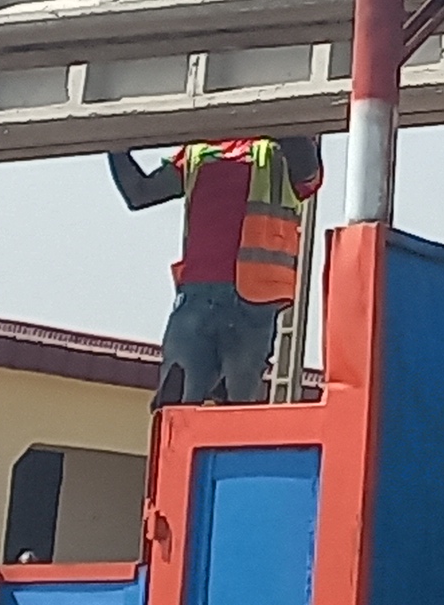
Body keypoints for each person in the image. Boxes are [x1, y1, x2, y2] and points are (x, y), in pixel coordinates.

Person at [104, 135, 321, 406]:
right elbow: (139, 193)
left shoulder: (278, 151)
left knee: (236, 411)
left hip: (252, 301)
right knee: (175, 404)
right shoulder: (199, 151)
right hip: (200, 296)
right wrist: (114, 142)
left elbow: (305, 166)